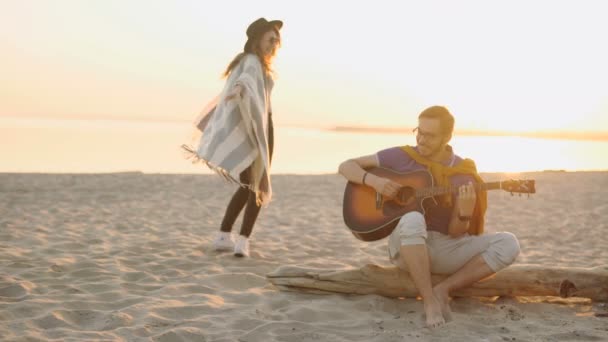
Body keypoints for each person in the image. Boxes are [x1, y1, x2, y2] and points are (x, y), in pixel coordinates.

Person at [337, 106, 520, 328]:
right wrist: (375, 182)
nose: (421, 140)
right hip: (406, 246)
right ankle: (429, 299)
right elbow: (346, 166)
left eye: (429, 136)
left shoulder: (462, 173)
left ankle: (444, 289)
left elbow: (456, 232)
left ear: (447, 137)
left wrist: (464, 211)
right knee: (413, 218)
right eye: (419, 131)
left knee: (509, 243)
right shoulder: (401, 156)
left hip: (444, 249)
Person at [182, 18, 283, 257]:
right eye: (270, 39)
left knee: (249, 184)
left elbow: (247, 82)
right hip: (258, 127)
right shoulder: (250, 62)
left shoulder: (256, 63)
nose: (274, 44)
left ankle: (223, 236)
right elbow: (244, 81)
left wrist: (241, 89)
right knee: (256, 184)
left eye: (277, 41)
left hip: (258, 125)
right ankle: (242, 241)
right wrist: (239, 90)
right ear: (257, 39)